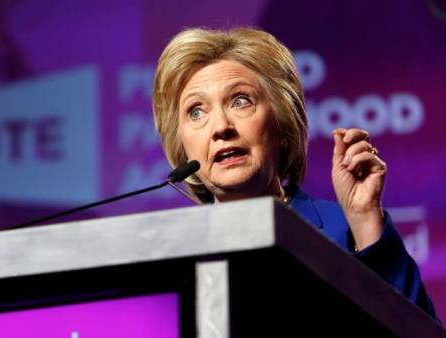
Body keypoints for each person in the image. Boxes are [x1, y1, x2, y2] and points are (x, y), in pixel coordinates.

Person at [152, 27, 436, 318]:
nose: (221, 127)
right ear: (184, 148)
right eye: (196, 112)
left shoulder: (346, 229)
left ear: (283, 128)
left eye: (240, 101)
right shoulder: (170, 255)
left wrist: (364, 219)